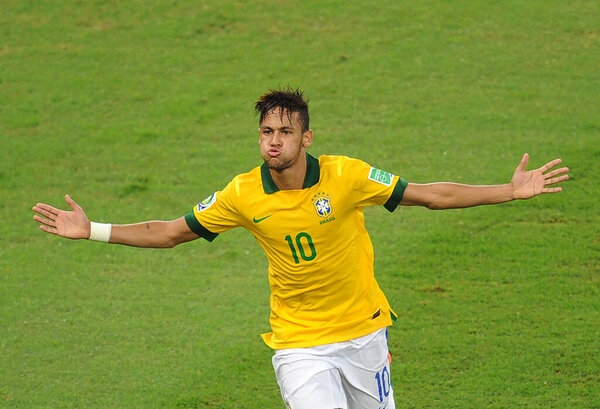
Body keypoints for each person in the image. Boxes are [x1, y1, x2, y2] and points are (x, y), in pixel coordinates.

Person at [32, 88, 569, 409]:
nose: (273, 141)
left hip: (363, 333)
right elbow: (170, 231)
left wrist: (509, 191)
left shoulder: (348, 177)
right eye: (266, 131)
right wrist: (94, 229)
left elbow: (431, 196)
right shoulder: (243, 194)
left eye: (285, 132)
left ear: (306, 138)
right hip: (299, 344)